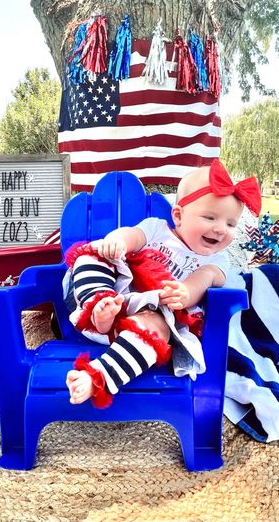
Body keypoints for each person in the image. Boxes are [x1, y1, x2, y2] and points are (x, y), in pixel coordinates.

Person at [64, 159, 261, 408]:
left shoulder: (217, 260)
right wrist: (116, 242)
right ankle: (99, 308)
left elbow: (203, 279)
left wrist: (185, 293)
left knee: (158, 329)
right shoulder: (156, 230)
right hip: (113, 295)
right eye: (210, 217)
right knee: (91, 255)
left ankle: (98, 376)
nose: (221, 229)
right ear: (178, 215)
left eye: (231, 223)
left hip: (150, 316)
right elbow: (132, 236)